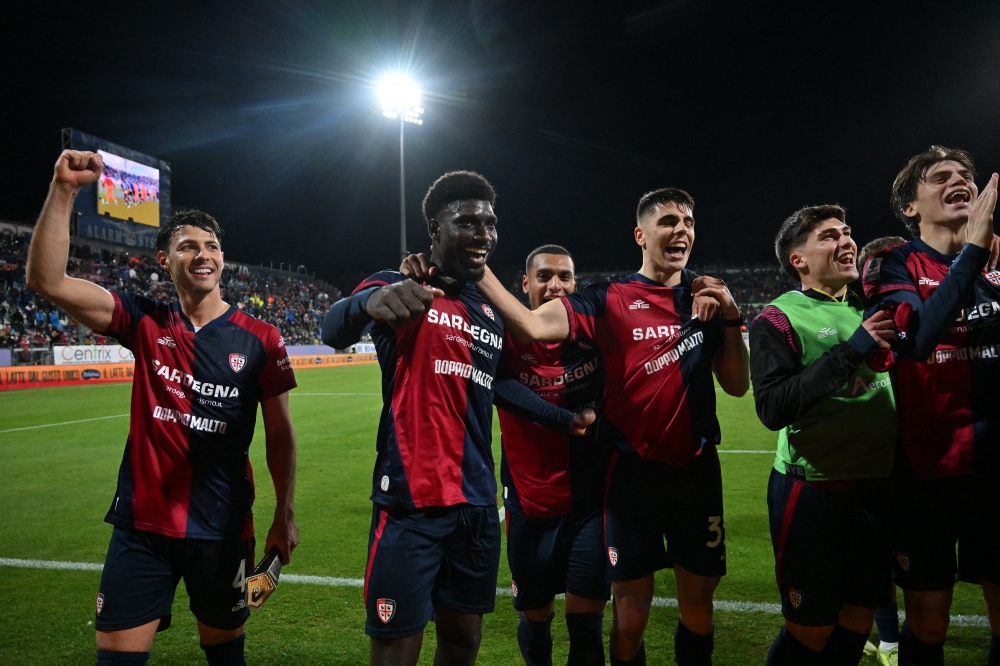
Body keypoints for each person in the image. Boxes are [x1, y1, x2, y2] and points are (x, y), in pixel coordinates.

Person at [25, 150, 300, 666]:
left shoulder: (261, 337)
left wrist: (284, 513)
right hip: (142, 529)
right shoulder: (144, 320)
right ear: (164, 261)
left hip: (221, 530)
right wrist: (64, 190)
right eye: (188, 246)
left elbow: (280, 435)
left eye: (213, 246)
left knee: (226, 657)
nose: (204, 254)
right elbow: (48, 281)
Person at [322, 171, 595, 666]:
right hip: (411, 504)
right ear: (435, 228)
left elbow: (499, 384)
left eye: (490, 223)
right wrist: (367, 302)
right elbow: (333, 328)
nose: (483, 233)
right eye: (467, 222)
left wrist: (561, 418)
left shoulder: (490, 310)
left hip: (476, 504)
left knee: (463, 644)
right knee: (395, 649)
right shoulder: (399, 284)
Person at [468, 187, 750, 665]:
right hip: (630, 476)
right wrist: (474, 267)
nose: (680, 229)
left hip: (698, 472)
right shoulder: (606, 299)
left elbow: (738, 385)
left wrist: (730, 313)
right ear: (641, 235)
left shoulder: (704, 298)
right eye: (668, 221)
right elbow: (535, 328)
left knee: (699, 609)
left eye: (687, 221)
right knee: (629, 613)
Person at [401, 244, 610, 666]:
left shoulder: (591, 331)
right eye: (545, 276)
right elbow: (497, 386)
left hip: (590, 505)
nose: (556, 285)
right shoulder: (501, 331)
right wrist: (564, 418)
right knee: (536, 620)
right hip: (530, 506)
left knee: (587, 625)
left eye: (565, 276)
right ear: (526, 284)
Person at [862, 146, 1000, 666]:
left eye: (965, 174)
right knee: (927, 619)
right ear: (910, 206)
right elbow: (917, 338)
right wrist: (973, 251)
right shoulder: (892, 262)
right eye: (940, 177)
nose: (958, 180)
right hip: (927, 472)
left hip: (996, 470)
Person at [749, 206, 899, 666]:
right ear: (799, 259)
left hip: (875, 491)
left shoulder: (867, 306)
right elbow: (772, 408)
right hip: (814, 494)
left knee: (857, 621)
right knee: (809, 632)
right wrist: (852, 351)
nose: (846, 240)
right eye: (830, 235)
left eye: (848, 232)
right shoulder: (778, 318)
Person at [855, 236, 907, 666]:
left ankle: (891, 640)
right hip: (874, 462)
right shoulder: (860, 317)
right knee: (875, 559)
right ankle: (889, 640)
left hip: (908, 460)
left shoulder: (918, 310)